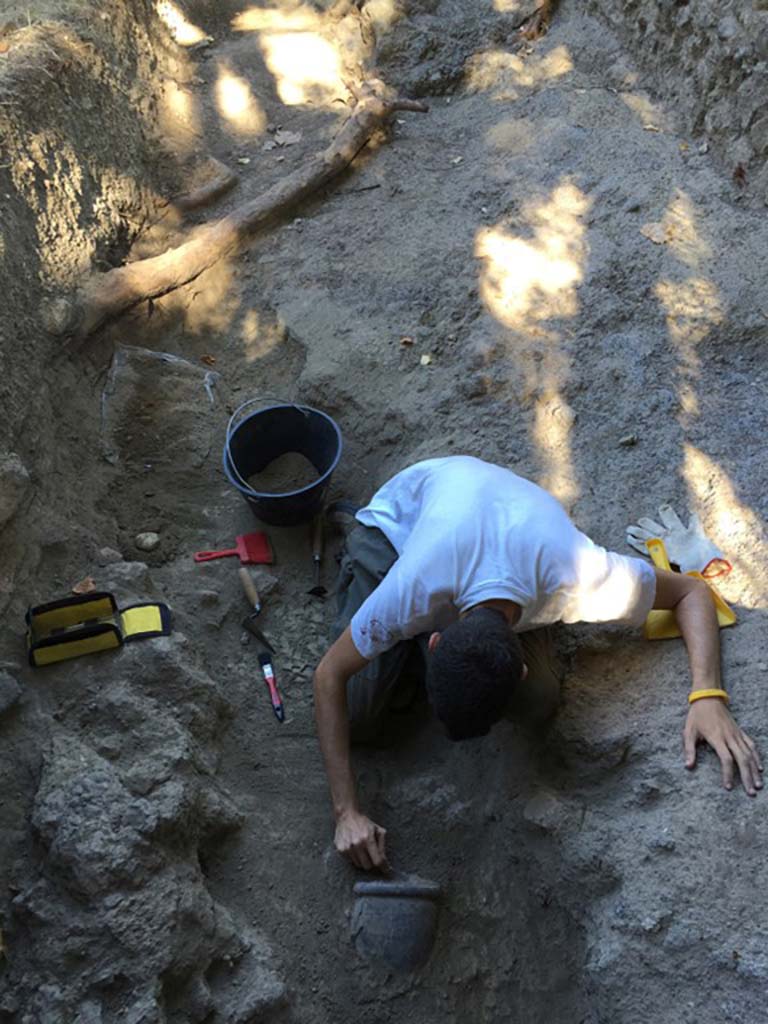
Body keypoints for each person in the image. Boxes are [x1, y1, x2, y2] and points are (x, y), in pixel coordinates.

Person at [313, 456, 762, 872]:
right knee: (359, 715)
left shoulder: (583, 576)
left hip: (514, 538)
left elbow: (692, 592)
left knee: (539, 702)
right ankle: (379, 606)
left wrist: (708, 694)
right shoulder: (410, 588)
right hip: (398, 530)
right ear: (432, 640)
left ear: (434, 641)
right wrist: (345, 812)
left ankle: (412, 658)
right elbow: (327, 676)